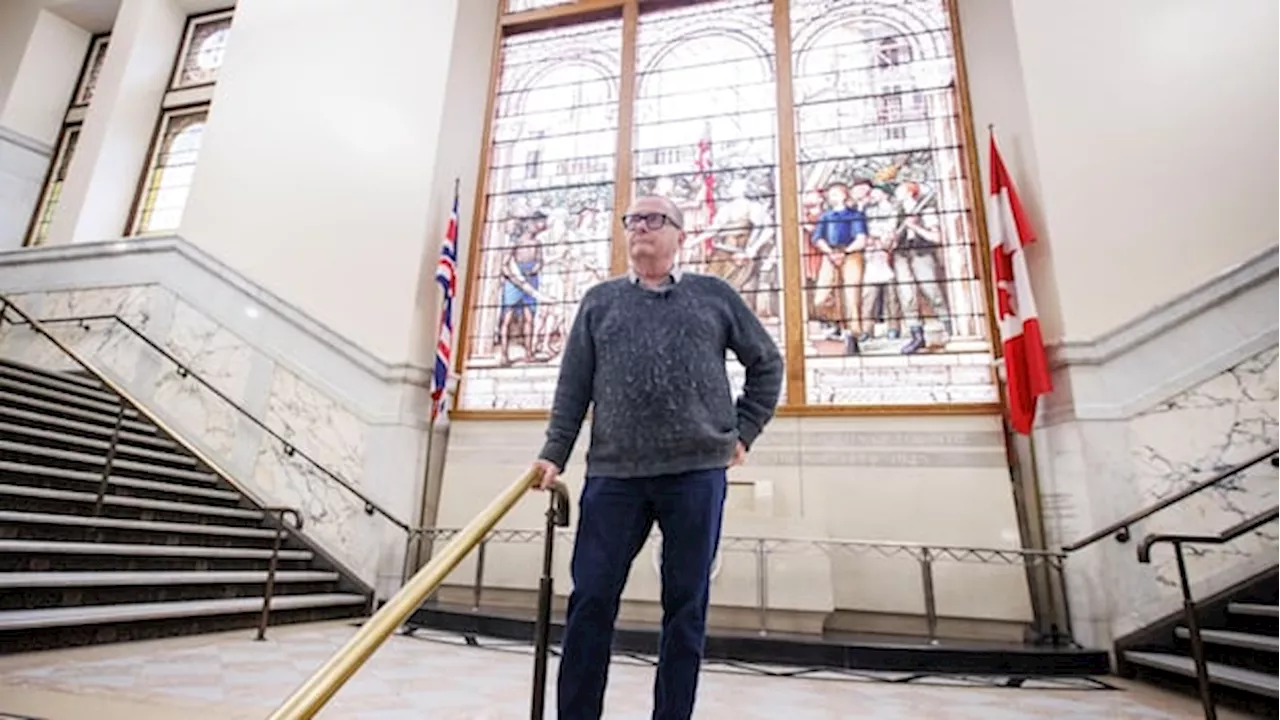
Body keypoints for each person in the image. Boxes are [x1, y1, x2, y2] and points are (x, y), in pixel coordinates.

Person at [530, 194, 784, 720]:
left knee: (685, 607)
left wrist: (743, 433)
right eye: (633, 220)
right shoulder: (599, 302)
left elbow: (767, 364)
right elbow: (573, 387)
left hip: (695, 474)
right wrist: (554, 453)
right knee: (591, 601)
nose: (641, 227)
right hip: (615, 475)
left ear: (679, 235)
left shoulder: (713, 295)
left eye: (654, 219)